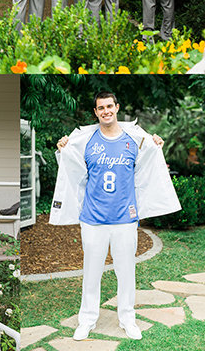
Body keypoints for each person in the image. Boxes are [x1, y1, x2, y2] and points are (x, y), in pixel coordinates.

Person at [51, 91, 181, 341]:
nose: (106, 111)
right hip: (93, 219)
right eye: (101, 108)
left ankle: (128, 319)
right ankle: (87, 320)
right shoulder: (86, 140)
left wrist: (156, 145)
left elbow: (148, 164)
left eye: (109, 106)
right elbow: (72, 168)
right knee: (91, 272)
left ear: (117, 108)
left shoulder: (134, 139)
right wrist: (63, 148)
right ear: (95, 112)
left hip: (125, 218)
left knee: (126, 271)